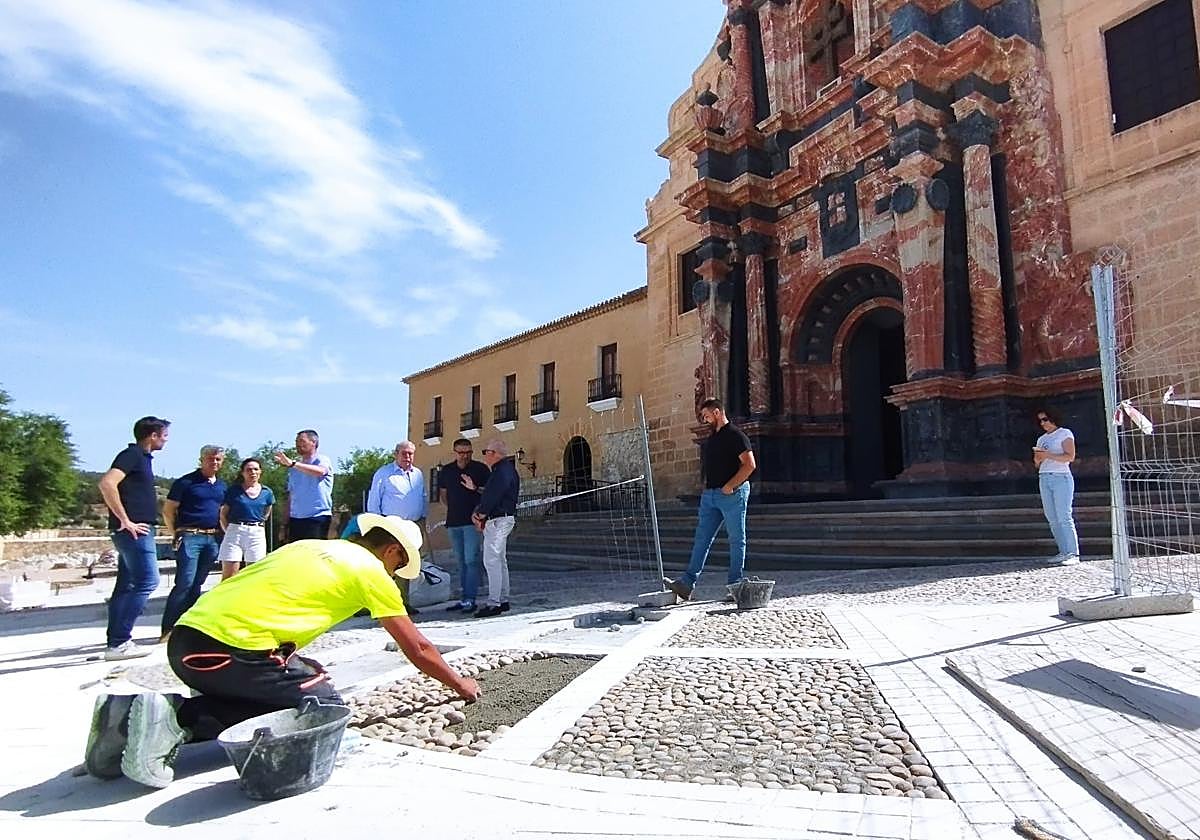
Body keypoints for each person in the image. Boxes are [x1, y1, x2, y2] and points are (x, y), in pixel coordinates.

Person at [83, 513, 481, 788]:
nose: (396, 574)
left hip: (188, 643)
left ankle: (123, 716)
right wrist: (460, 683)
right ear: (392, 553)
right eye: (399, 566)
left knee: (302, 669)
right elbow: (419, 648)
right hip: (230, 654)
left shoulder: (304, 546)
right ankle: (180, 718)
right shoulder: (371, 571)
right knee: (322, 707)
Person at [664, 398, 756, 601]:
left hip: (732, 495)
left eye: (706, 416)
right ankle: (687, 584)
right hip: (710, 496)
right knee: (702, 540)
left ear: (716, 412)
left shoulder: (736, 435)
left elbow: (749, 465)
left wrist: (730, 486)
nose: (704, 420)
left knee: (736, 540)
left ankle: (735, 585)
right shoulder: (712, 437)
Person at [96, 416, 170, 661]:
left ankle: (115, 642)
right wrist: (125, 520)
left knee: (126, 585)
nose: (166, 439)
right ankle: (120, 641)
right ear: (153, 436)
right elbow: (107, 484)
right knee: (148, 581)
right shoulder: (133, 455)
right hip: (134, 531)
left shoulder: (142, 459)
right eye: (164, 435)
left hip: (134, 530)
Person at [160, 445, 227, 641]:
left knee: (198, 583)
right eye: (210, 459)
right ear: (201, 460)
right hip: (190, 536)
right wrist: (176, 533)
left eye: (218, 459)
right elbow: (168, 510)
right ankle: (169, 629)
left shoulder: (222, 486)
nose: (214, 462)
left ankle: (188, 627)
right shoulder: (186, 482)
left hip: (212, 538)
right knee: (184, 582)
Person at [366, 440, 427, 613]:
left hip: (411, 526)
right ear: (396, 454)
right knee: (386, 565)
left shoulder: (418, 474)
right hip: (390, 526)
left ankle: (403, 603)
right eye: (404, 453)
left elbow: (422, 496)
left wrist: (423, 517)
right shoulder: (384, 473)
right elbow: (374, 500)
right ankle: (383, 604)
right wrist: (376, 525)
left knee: (406, 564)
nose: (407, 457)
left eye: (411, 453)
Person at [438, 438, 490, 613]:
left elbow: (489, 493)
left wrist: (474, 488)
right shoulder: (447, 471)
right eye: (461, 452)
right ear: (455, 452)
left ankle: (470, 598)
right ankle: (464, 598)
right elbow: (443, 495)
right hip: (453, 522)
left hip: (472, 522)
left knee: (471, 560)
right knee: (460, 562)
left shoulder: (480, 469)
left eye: (468, 452)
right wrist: (453, 508)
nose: (465, 456)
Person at [471, 438, 519, 618]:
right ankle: (503, 599)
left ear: (494, 454)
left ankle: (494, 602)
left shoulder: (501, 472)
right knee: (500, 560)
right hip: (503, 519)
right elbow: (493, 492)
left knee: (491, 561)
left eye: (486, 452)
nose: (484, 455)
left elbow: (493, 495)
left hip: (498, 520)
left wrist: (480, 514)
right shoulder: (505, 470)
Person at [1034, 407, 1080, 566]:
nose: (1043, 423)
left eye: (1045, 419)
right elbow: (1037, 463)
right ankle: (1063, 551)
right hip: (1044, 476)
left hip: (1061, 476)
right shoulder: (1041, 439)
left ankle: (1073, 553)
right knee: (1052, 517)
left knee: (1064, 516)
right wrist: (1039, 457)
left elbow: (1070, 456)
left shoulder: (1064, 433)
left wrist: (1048, 455)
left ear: (1053, 418)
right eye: (1040, 421)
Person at [217, 457, 275, 580]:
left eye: (255, 469)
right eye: (249, 470)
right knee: (230, 575)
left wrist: (258, 524)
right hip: (235, 530)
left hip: (256, 532)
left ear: (260, 472)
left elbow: (267, 512)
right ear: (243, 472)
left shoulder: (267, 492)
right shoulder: (234, 491)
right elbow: (223, 514)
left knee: (254, 575)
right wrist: (229, 530)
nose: (252, 472)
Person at [274, 429, 333, 542]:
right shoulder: (294, 468)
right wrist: (284, 524)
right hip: (295, 519)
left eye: (302, 441)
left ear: (313, 442)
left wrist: (293, 464)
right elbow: (291, 496)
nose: (298, 444)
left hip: (317, 518)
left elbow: (320, 471)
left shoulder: (322, 460)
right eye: (296, 441)